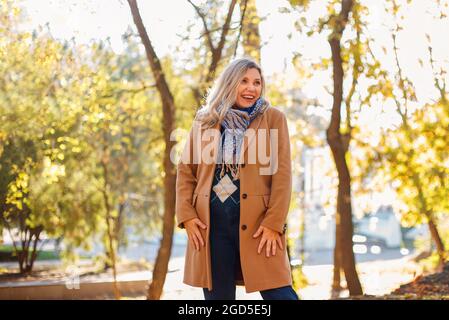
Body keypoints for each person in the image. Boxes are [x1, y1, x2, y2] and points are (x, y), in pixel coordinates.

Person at [175, 58, 298, 300]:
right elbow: (185, 171)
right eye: (244, 81)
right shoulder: (205, 120)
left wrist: (274, 223)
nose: (251, 88)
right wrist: (187, 216)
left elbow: (282, 175)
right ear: (230, 83)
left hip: (259, 225)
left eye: (257, 82)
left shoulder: (273, 118)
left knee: (280, 294)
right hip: (211, 226)